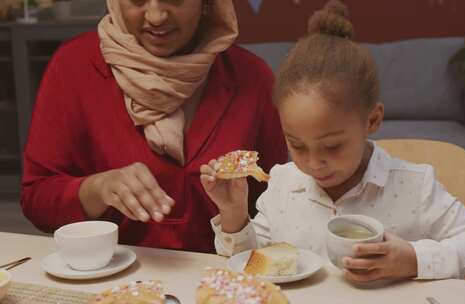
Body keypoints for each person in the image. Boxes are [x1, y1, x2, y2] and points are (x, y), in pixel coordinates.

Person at [200, 0, 465, 283]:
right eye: (298, 145)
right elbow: (250, 268)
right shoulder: (282, 184)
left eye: (332, 146)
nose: (313, 163)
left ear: (372, 120)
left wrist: (413, 259)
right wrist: (234, 216)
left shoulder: (414, 186)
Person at [20, 0, 287, 253]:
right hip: (110, 287)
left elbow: (277, 209)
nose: (156, 16)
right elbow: (37, 202)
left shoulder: (252, 79)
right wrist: (97, 188)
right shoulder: (73, 67)